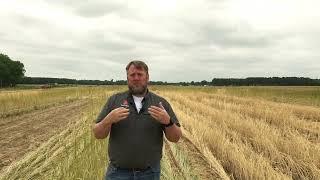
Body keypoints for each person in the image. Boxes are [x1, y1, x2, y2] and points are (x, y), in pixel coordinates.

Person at [93, 60, 182, 180]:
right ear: (127, 78)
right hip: (117, 173)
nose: (136, 78)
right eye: (132, 75)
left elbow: (175, 138)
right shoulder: (114, 101)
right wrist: (108, 120)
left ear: (147, 77)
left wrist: (168, 122)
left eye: (140, 74)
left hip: (149, 173)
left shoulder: (160, 103)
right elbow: (98, 134)